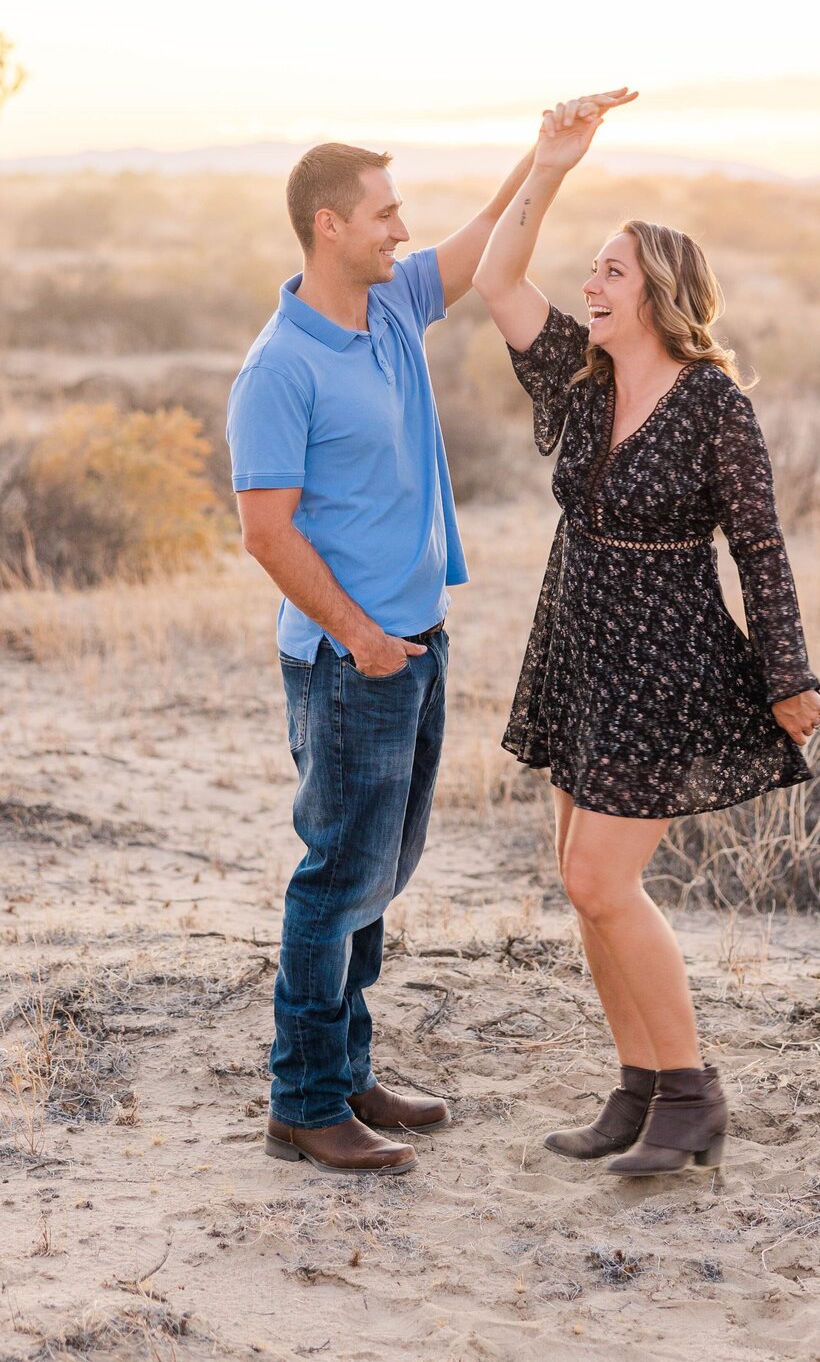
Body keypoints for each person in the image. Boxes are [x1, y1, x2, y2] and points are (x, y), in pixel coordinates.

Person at [224, 115, 630, 1174]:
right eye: (385, 213)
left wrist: (547, 158)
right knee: (336, 878)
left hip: (412, 645)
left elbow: (489, 236)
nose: (403, 228)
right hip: (348, 660)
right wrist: (359, 637)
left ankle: (347, 1074)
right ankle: (302, 1104)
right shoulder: (279, 368)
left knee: (380, 874)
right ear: (329, 226)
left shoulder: (392, 305)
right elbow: (265, 531)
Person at [473, 94, 820, 1177]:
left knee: (600, 881)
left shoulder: (717, 405)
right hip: (579, 640)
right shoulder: (578, 379)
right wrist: (550, 163)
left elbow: (758, 548)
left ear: (662, 293)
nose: (591, 285)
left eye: (612, 272)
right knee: (581, 877)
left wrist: (786, 674)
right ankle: (635, 1089)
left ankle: (692, 1093)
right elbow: (495, 276)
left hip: (667, 654)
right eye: (592, 270)